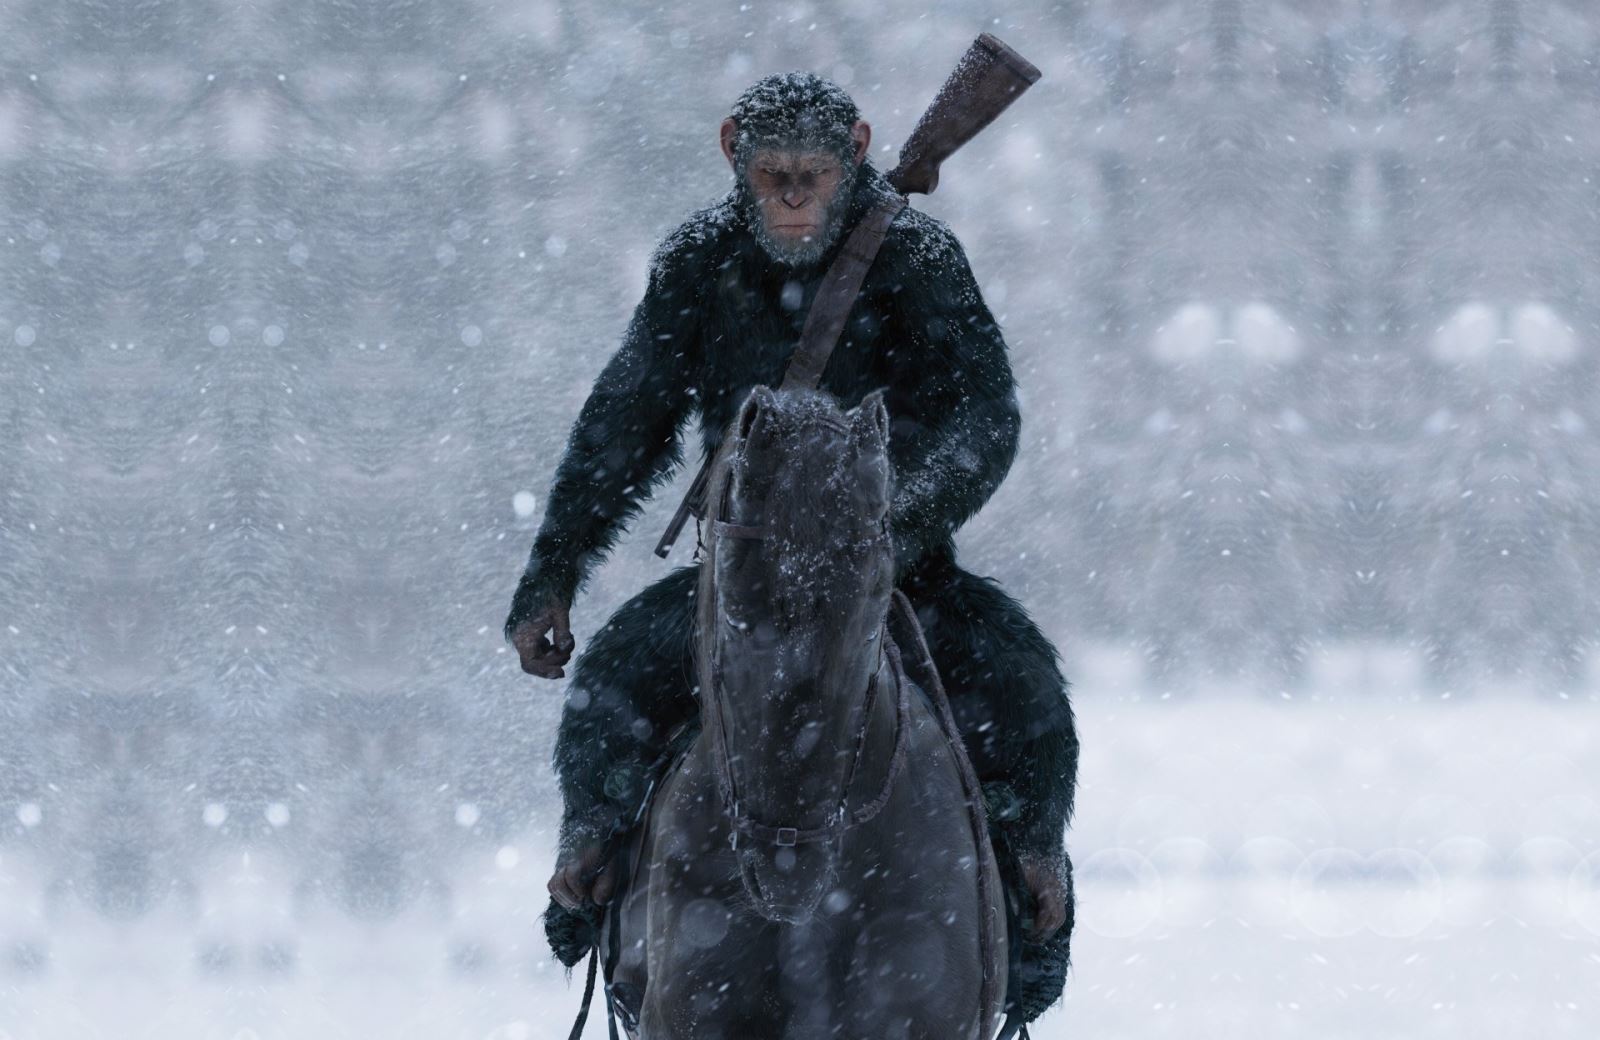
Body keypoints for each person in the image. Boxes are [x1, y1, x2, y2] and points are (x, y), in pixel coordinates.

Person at [505, 71, 1078, 1020]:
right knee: (613, 683)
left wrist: (890, 529)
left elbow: (986, 419)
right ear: (734, 152)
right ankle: (593, 860)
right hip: (739, 584)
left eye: (815, 178)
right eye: (776, 178)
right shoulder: (698, 259)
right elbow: (626, 420)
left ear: (857, 152)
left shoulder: (919, 256)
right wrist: (552, 574)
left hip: (904, 574)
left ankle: (1032, 886)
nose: (796, 201)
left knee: (1026, 692)